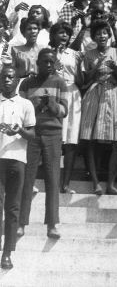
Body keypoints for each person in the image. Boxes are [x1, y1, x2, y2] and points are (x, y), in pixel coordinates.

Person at [17, 49, 68, 239]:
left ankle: (52, 224)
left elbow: (64, 111)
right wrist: (35, 106)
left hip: (53, 134)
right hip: (31, 134)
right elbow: (19, 109)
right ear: (37, 62)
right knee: (27, 179)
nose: (48, 65)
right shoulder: (27, 82)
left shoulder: (60, 82)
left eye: (51, 62)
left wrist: (52, 104)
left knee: (53, 179)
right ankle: (21, 223)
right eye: (45, 61)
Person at [78, 20, 117, 195]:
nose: (102, 36)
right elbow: (84, 79)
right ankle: (95, 183)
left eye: (104, 33)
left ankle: (111, 184)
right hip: (94, 94)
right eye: (98, 33)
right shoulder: (89, 54)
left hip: (113, 93)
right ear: (94, 36)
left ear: (109, 35)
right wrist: (97, 67)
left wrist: (114, 69)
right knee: (90, 139)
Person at [0, 64, 35, 270]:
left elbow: (32, 134)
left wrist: (19, 130)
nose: (7, 80)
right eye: (3, 77)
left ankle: (7, 253)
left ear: (16, 80)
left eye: (10, 77)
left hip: (16, 160)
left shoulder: (25, 104)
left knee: (12, 208)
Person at [50, 21, 82, 194]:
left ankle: (66, 184)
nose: (64, 36)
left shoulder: (75, 54)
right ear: (53, 35)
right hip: (53, 94)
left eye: (67, 34)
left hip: (72, 94)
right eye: (60, 33)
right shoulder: (46, 53)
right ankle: (53, 182)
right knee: (54, 137)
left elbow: (81, 80)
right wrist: (54, 59)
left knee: (70, 139)